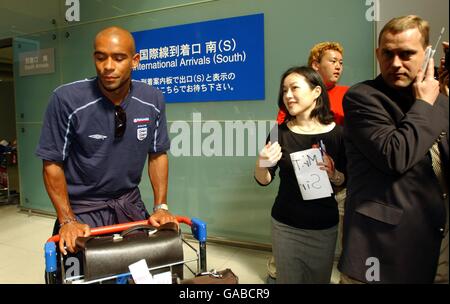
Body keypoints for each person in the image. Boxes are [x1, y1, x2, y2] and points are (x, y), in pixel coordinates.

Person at [35, 26, 178, 279]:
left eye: (118, 58)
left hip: (129, 206)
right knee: (81, 277)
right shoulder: (67, 99)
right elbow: (52, 162)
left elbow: (157, 153)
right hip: (82, 211)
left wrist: (161, 206)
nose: (108, 66)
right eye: (101, 57)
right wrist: (67, 219)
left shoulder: (152, 99)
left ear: (135, 61)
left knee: (143, 276)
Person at [338, 15, 449, 284]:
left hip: (435, 241)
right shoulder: (363, 97)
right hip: (380, 249)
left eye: (407, 54)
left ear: (427, 55)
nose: (395, 63)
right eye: (388, 53)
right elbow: (395, 156)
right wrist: (424, 104)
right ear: (377, 53)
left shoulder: (440, 99)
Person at [255, 66, 346, 284]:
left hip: (324, 226)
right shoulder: (279, 132)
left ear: (316, 92)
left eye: (294, 88)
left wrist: (333, 175)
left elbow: (346, 180)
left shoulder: (338, 134)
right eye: (284, 90)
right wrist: (261, 163)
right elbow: (264, 179)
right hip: (285, 225)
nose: (287, 95)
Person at [277, 42, 349, 125]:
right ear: (315, 65)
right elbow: (275, 134)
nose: (338, 67)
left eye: (341, 63)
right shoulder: (294, 95)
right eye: (333, 61)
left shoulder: (348, 94)